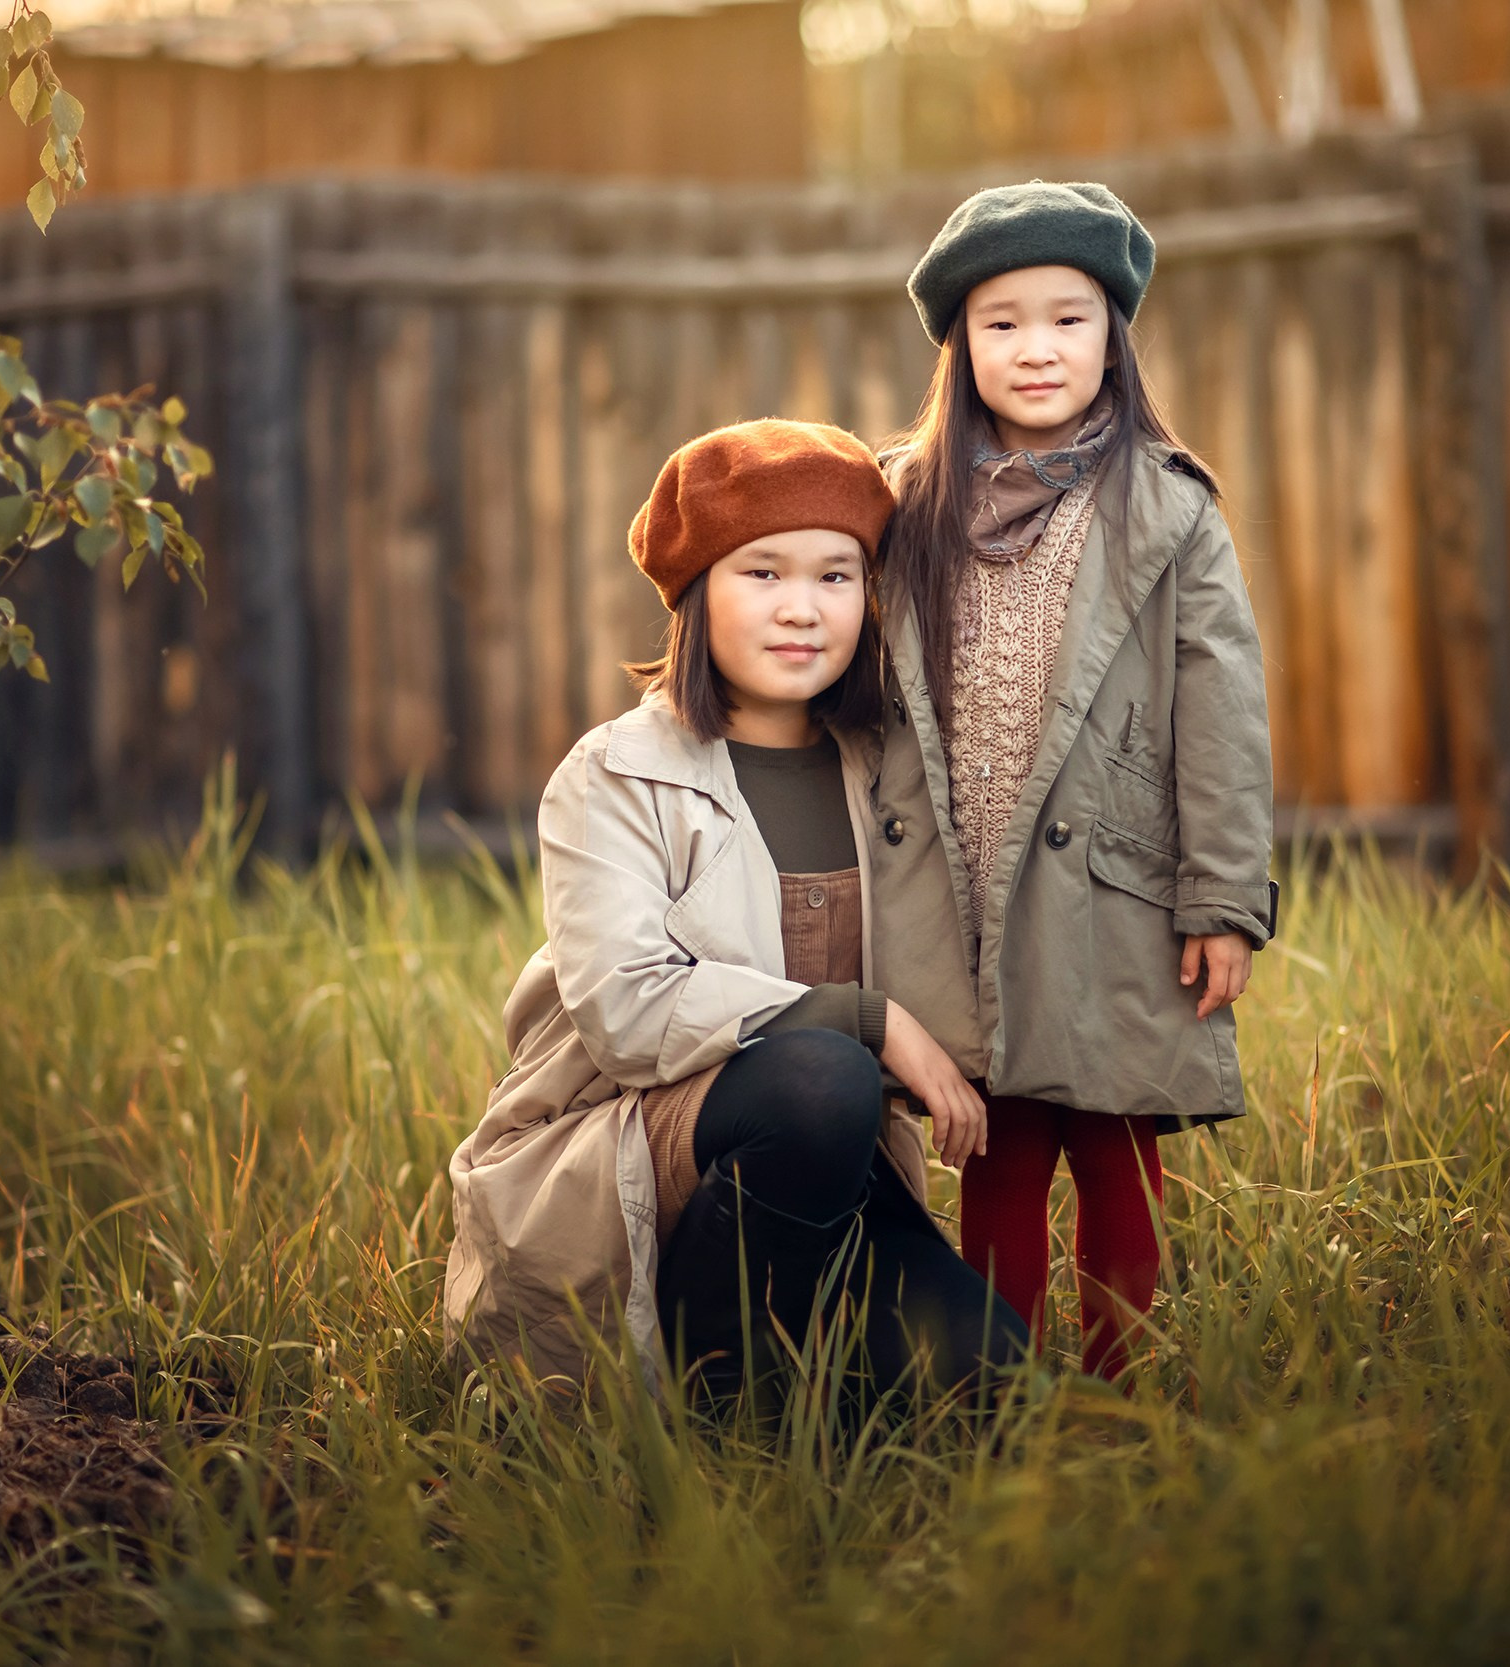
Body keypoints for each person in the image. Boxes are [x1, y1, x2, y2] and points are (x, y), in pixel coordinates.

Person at [443, 418, 1029, 1405]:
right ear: (695, 592)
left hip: (834, 1178)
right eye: (762, 573)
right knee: (822, 1077)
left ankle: (807, 1375)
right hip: (639, 1162)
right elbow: (629, 1009)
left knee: (995, 1382)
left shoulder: (889, 775)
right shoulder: (616, 776)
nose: (802, 608)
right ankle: (715, 1393)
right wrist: (871, 1019)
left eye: (835, 575)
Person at [864, 182, 1279, 1382]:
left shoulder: (1166, 507)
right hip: (962, 881)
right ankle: (998, 1383)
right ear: (961, 343)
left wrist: (1221, 898)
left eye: (1067, 318)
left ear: (1112, 336)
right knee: (995, 1147)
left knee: (1113, 1144)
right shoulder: (907, 503)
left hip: (1113, 882)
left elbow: (1222, 714)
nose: (1036, 348)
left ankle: (1114, 1384)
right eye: (1002, 323)